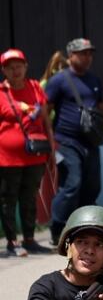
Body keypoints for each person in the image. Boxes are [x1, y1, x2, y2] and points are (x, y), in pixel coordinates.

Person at [45, 38, 103, 247]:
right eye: (83, 53)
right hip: (66, 142)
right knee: (71, 184)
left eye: (90, 53)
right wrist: (50, 141)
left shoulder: (94, 80)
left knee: (92, 186)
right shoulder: (59, 80)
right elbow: (45, 111)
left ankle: (85, 226)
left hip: (91, 141)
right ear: (71, 56)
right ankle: (57, 227)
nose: (88, 57)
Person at [1, 49, 53, 256]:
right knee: (8, 199)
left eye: (19, 66)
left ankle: (30, 239)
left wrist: (51, 146)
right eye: (11, 67)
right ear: (4, 70)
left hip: (35, 154)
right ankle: (12, 242)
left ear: (26, 67)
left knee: (30, 197)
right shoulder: (1, 93)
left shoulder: (35, 88)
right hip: (7, 158)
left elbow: (46, 120)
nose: (16, 71)